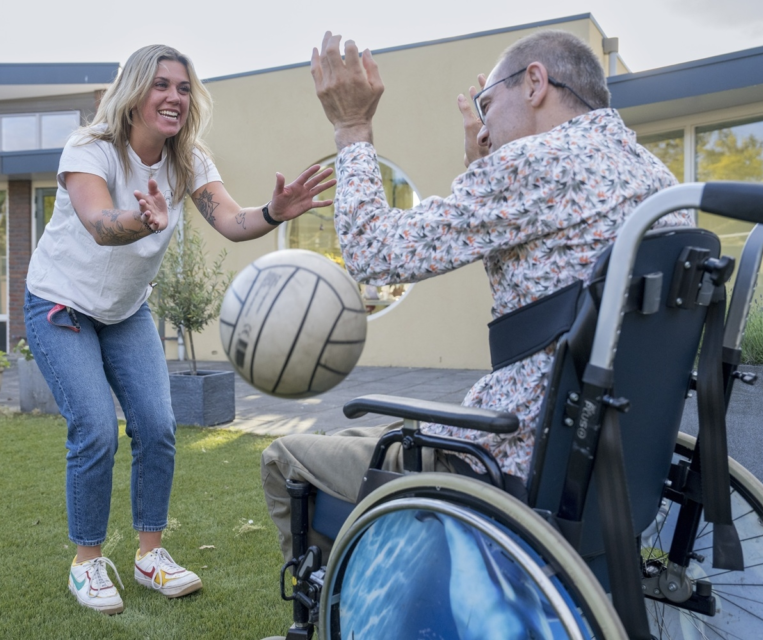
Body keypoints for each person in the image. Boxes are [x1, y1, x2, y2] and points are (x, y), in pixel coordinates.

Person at [261, 29, 692, 563]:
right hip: (608, 460)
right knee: (374, 435)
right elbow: (540, 261)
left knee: (285, 458)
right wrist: (482, 171)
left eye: (488, 104)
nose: (484, 127)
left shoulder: (536, 162)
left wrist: (352, 128)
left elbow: (374, 254)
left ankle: (360, 600)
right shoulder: (659, 180)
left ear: (534, 82)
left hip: (511, 462)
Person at [24, 44, 334, 615]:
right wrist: (139, 218)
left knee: (158, 426)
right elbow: (98, 222)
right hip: (60, 305)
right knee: (95, 428)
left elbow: (232, 220)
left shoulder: (187, 160)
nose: (175, 97)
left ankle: (149, 556)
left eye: (184, 88)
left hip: (124, 311)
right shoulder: (90, 148)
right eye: (162, 85)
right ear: (134, 93)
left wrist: (273, 212)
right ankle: (87, 562)